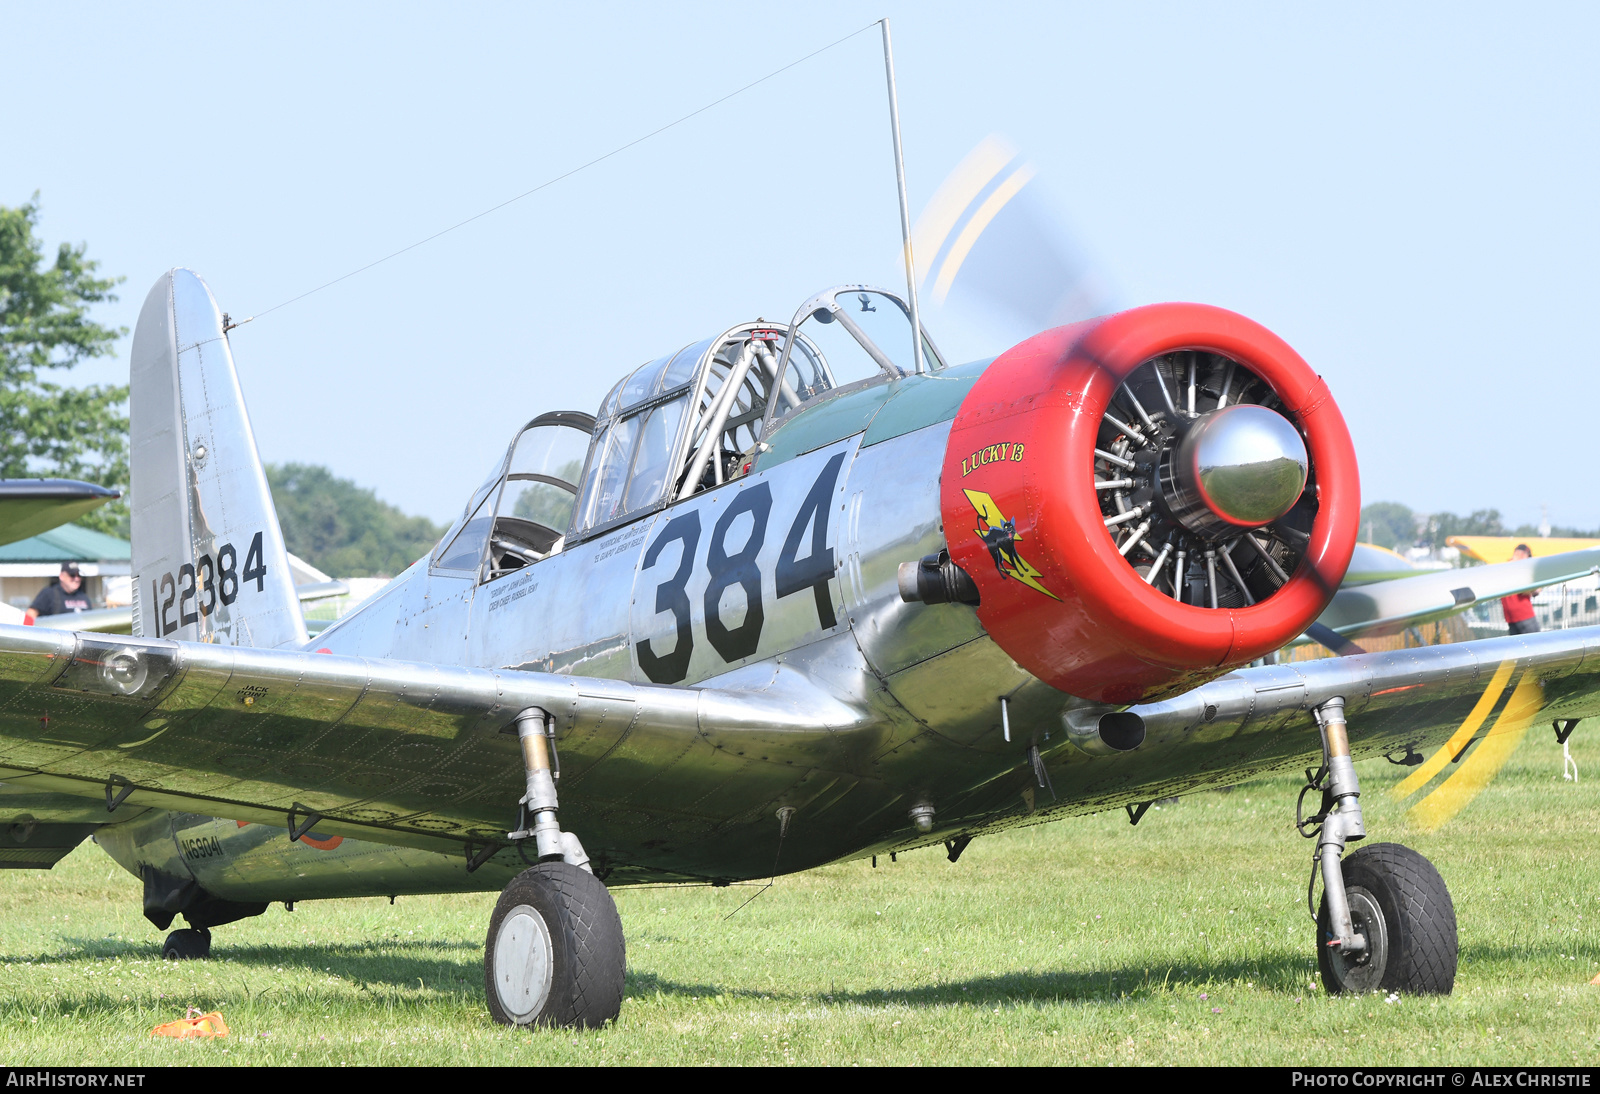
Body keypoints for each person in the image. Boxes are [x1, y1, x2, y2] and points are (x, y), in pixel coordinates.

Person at [24, 562, 92, 623]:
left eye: (79, 575)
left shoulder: (83, 596)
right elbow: (30, 615)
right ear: (61, 576)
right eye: (72, 575)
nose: (76, 579)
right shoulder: (49, 594)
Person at [1500, 544, 1540, 635]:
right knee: (1536, 644)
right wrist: (1536, 589)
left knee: (1517, 646)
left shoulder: (1504, 568)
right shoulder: (1519, 568)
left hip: (1511, 617)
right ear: (1523, 554)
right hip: (1524, 615)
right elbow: (1527, 590)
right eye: (1528, 556)